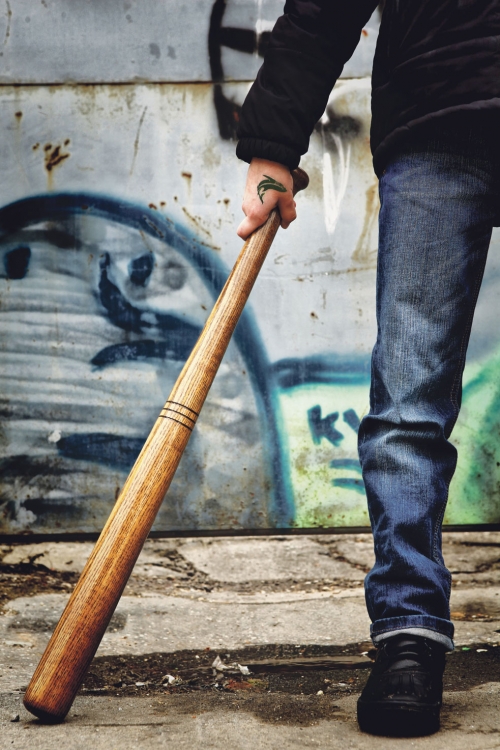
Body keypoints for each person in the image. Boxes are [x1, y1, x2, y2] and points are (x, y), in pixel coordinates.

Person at [235, 0, 500, 737]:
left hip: (430, 104)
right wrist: (272, 143)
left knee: (409, 408)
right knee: (409, 405)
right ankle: (410, 632)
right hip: (437, 106)